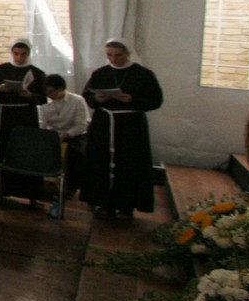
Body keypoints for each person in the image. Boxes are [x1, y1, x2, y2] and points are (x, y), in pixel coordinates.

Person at [82, 40, 163, 219]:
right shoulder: (101, 73)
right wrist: (98, 100)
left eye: (118, 55)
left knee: (128, 164)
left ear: (128, 54)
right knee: (101, 161)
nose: (114, 59)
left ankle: (125, 206)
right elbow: (87, 95)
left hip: (130, 125)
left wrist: (131, 100)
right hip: (104, 123)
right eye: (109, 55)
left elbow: (155, 101)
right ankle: (102, 202)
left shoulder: (143, 74)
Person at [0, 39, 48, 203]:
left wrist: (29, 95)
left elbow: (43, 98)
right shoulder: (0, 70)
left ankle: (29, 193)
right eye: (16, 54)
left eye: (23, 54)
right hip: (1, 114)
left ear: (28, 54)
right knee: (0, 151)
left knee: (24, 152)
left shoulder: (37, 73)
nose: (19, 57)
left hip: (24, 116)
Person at [39, 73, 89, 199]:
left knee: (75, 153)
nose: (49, 95)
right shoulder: (44, 103)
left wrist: (67, 134)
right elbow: (42, 124)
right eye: (46, 91)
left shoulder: (77, 100)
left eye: (51, 91)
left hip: (75, 134)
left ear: (61, 89)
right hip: (53, 134)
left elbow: (82, 124)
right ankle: (47, 183)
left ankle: (72, 186)